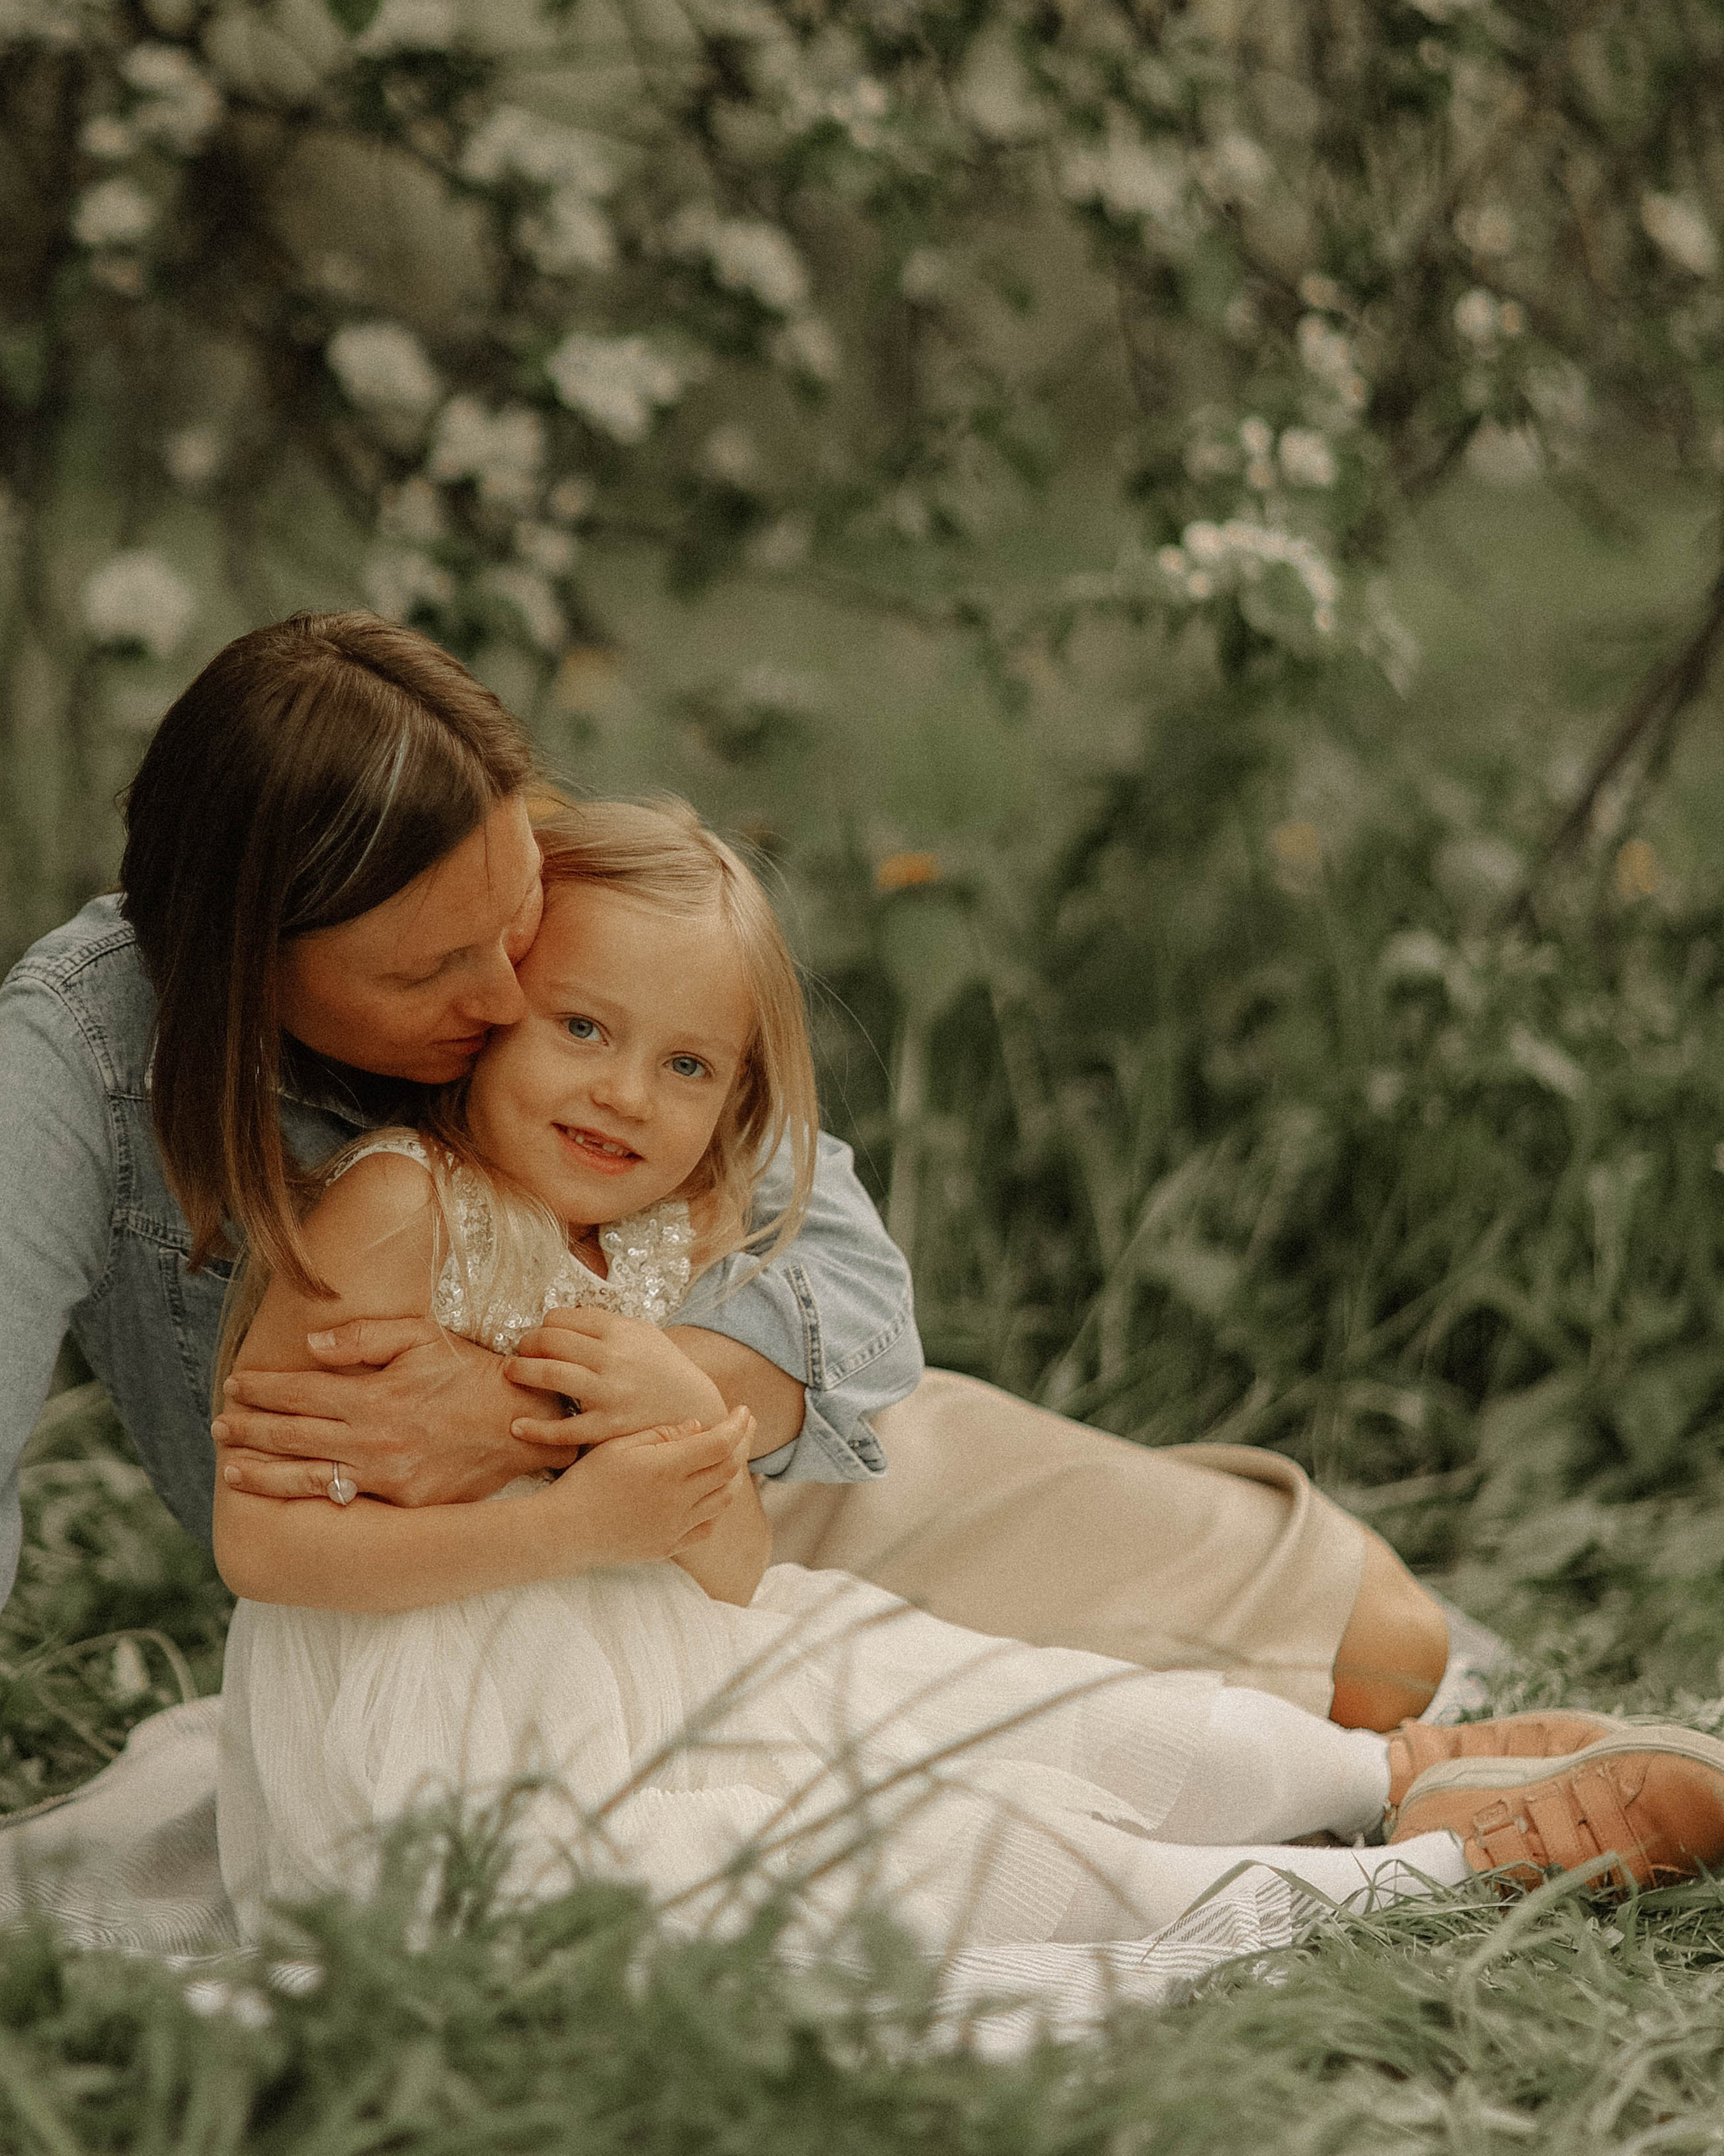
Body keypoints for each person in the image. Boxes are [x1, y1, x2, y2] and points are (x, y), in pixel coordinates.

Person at [0, 611, 1446, 1924]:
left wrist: (546, 1414)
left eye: (516, 916)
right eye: (437, 969)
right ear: (254, 961)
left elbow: (847, 1263)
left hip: (758, 1474)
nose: (511, 983)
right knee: (922, 1827)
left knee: (1385, 1650)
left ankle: (1309, 1752)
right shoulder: (89, 1051)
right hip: (482, 1611)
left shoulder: (492, 858)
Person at [213, 798, 1724, 1949]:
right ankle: (1426, 1870)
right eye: (582, 1029)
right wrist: (562, 1527)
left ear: (739, 1098)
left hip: (652, 1647)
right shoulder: (402, 1203)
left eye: (686, 1068)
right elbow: (261, 1541)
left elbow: (732, 1572)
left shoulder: (649, 1246)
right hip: (440, 1758)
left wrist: (685, 1430)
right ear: (485, 1011)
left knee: (973, 1693)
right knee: (903, 1840)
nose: (624, 1089)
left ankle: (1377, 1767)